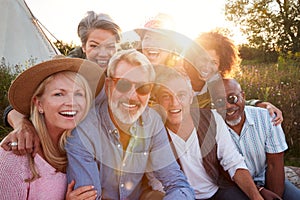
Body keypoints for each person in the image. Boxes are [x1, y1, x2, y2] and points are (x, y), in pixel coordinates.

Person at [65, 49, 195, 199]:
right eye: (123, 84)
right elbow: (88, 197)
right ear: (108, 86)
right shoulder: (84, 133)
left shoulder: (152, 121)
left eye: (143, 88)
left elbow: (177, 183)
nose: (132, 96)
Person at [1, 11, 121, 155]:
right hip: (65, 152)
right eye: (94, 46)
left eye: (110, 46)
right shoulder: (70, 72)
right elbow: (16, 107)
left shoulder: (123, 72)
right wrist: (22, 125)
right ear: (83, 47)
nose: (103, 53)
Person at [148, 66, 270, 200]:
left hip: (218, 191)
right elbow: (157, 183)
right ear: (158, 101)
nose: (174, 103)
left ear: (190, 97)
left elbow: (233, 162)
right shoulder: (152, 132)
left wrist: (256, 197)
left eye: (181, 95)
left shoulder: (212, 119)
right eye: (166, 96)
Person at [0, 57, 104, 199]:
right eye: (59, 94)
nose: (71, 103)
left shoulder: (84, 152)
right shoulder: (13, 160)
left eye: (79, 94)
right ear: (39, 104)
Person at [211, 78, 300, 200]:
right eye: (219, 101)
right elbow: (221, 169)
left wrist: (275, 196)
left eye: (232, 98)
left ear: (243, 96)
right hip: (232, 184)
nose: (227, 106)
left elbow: (274, 164)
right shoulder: (212, 125)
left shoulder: (266, 118)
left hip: (265, 177)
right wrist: (258, 191)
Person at [190, 31, 283, 125]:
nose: (206, 66)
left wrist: (260, 104)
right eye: (203, 60)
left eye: (214, 62)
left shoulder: (215, 83)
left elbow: (232, 100)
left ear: (221, 65)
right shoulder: (180, 78)